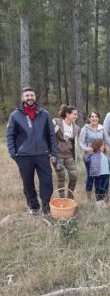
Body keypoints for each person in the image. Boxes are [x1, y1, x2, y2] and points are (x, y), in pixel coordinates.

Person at [6, 87, 57, 215]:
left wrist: (53, 152)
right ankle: (34, 207)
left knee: (47, 182)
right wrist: (13, 153)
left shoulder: (44, 114)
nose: (29, 97)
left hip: (43, 154)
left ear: (35, 97)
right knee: (28, 183)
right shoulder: (15, 115)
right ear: (23, 98)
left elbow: (51, 135)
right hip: (24, 156)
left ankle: (46, 208)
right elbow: (10, 135)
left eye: (31, 95)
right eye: (27, 95)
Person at [79, 110, 110, 199]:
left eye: (96, 116)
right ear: (89, 118)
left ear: (99, 118)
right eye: (92, 116)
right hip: (90, 155)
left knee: (100, 176)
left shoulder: (102, 128)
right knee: (90, 176)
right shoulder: (85, 128)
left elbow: (107, 139)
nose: (94, 118)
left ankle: (101, 195)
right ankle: (88, 197)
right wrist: (86, 148)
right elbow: (80, 142)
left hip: (100, 155)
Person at [52, 105, 80, 197]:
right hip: (58, 155)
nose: (76, 116)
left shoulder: (76, 128)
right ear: (67, 114)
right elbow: (50, 136)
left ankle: (69, 197)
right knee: (61, 177)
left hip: (69, 155)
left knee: (74, 176)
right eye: (74, 114)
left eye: (77, 115)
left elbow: (74, 143)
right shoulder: (57, 123)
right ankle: (62, 198)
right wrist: (51, 153)